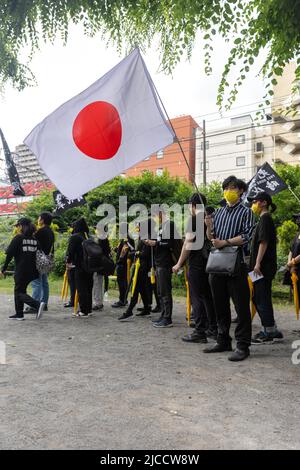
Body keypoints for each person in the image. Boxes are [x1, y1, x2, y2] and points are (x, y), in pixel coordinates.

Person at [205, 175, 255, 361]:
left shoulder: (247, 212)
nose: (229, 191)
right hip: (217, 264)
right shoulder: (218, 213)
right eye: (226, 188)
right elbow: (212, 237)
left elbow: (247, 236)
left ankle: (243, 345)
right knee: (220, 305)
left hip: (237, 264)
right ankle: (223, 339)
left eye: (233, 187)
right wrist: (209, 227)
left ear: (241, 190)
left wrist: (224, 242)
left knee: (241, 306)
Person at [173, 193, 217, 343]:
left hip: (196, 263)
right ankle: (212, 328)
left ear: (192, 205)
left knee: (196, 297)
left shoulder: (193, 220)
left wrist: (179, 263)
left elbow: (188, 243)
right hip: (209, 263)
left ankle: (199, 332)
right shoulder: (209, 218)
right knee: (207, 297)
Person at [248, 192, 283, 344]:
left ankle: (268, 331)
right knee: (258, 296)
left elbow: (264, 242)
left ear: (263, 203)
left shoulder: (265, 219)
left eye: (255, 201)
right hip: (260, 267)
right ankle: (271, 328)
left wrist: (257, 263)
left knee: (261, 297)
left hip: (261, 268)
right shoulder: (263, 219)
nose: (253, 204)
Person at [0, 217, 45, 321]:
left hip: (22, 270)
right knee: (20, 290)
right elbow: (40, 254)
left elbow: (9, 255)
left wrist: (3, 269)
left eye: (18, 225)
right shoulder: (35, 240)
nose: (17, 228)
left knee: (19, 292)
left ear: (21, 226)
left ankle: (37, 305)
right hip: (33, 270)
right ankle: (19, 314)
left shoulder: (18, 238)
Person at [145, 208, 179, 328]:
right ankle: (163, 314)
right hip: (159, 262)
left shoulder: (169, 224)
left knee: (165, 291)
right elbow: (161, 241)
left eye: (155, 214)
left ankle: (167, 318)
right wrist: (152, 242)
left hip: (165, 263)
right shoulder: (161, 227)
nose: (154, 217)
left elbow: (171, 243)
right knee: (160, 291)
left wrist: (156, 243)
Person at [118, 221, 151, 321]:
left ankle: (129, 311)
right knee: (141, 288)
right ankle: (146, 308)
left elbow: (145, 254)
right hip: (140, 266)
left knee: (135, 288)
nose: (137, 229)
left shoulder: (146, 238)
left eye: (138, 227)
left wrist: (134, 254)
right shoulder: (142, 237)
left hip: (143, 267)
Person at [66, 217, 93, 317]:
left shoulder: (75, 237)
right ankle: (89, 310)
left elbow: (70, 252)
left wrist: (68, 263)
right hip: (90, 266)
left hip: (79, 265)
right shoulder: (88, 236)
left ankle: (83, 310)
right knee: (88, 288)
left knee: (81, 288)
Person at [29, 211, 55, 312]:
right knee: (44, 282)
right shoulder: (51, 232)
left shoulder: (41, 231)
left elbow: (34, 243)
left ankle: (35, 305)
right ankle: (44, 304)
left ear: (42, 220)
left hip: (39, 259)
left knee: (36, 282)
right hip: (47, 259)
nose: (38, 220)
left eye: (39, 218)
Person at [112, 223, 134, 308]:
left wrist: (119, 261)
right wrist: (116, 249)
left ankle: (122, 300)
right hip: (123, 263)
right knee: (122, 281)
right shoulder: (126, 237)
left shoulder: (127, 238)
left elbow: (126, 250)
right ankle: (123, 299)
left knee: (122, 282)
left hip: (123, 264)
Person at [93, 225, 111, 311]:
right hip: (102, 264)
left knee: (97, 283)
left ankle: (98, 302)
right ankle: (99, 302)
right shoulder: (105, 239)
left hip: (99, 264)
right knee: (99, 283)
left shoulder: (101, 239)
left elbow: (98, 252)